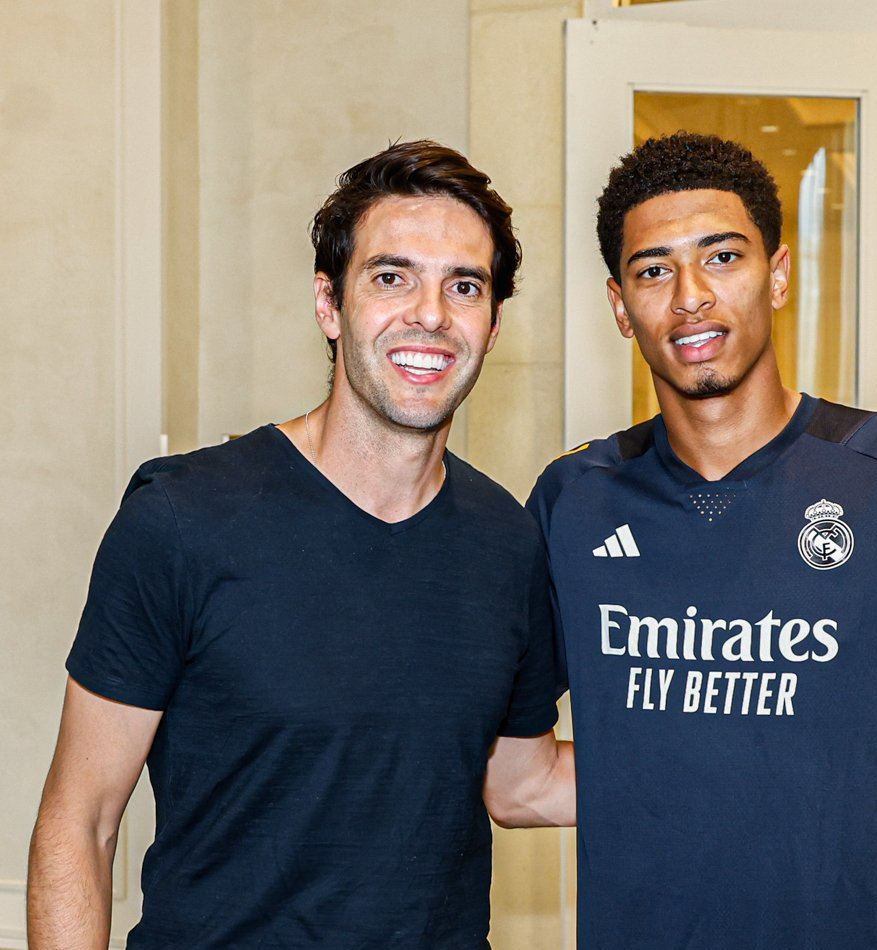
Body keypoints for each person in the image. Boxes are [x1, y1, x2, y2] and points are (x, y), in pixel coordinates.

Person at [28, 140, 574, 949]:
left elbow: (520, 782)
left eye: (464, 286)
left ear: (491, 325)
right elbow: (81, 820)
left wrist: (743, 749)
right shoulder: (183, 518)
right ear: (329, 303)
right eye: (392, 277)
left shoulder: (508, 542)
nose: (431, 313)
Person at [527, 132, 877, 949]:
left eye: (722, 257)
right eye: (654, 270)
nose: (691, 296)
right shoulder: (574, 499)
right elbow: (511, 762)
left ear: (776, 275)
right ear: (620, 308)